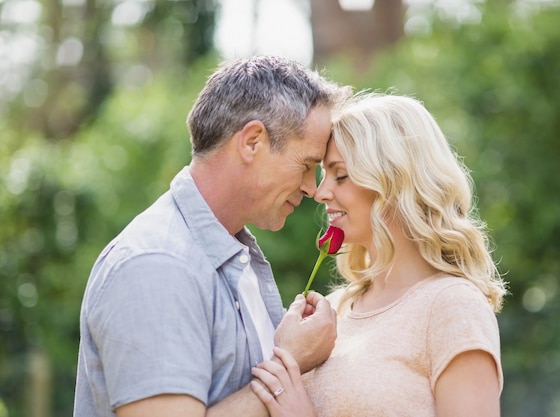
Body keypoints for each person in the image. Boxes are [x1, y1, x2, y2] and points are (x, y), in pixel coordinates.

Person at [73, 55, 351, 417]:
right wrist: (290, 362)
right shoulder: (157, 265)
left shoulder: (229, 255)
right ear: (252, 142)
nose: (311, 188)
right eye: (306, 165)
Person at [250, 92, 508, 417]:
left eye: (340, 175)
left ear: (394, 181)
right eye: (323, 175)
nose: (320, 192)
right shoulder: (335, 310)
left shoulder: (452, 306)